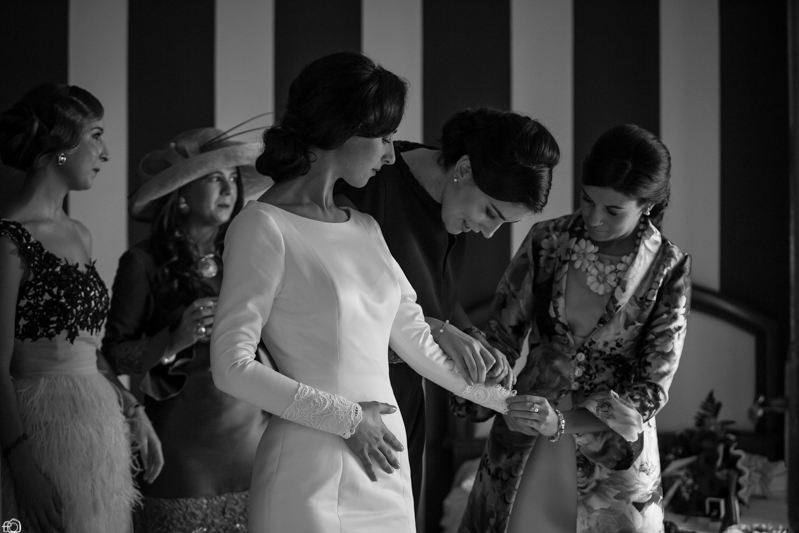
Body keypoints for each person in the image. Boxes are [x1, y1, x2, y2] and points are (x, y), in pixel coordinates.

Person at [210, 51, 513, 533]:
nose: (391, 155)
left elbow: (417, 341)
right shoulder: (262, 227)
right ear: (343, 132)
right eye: (385, 138)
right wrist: (348, 419)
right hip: (310, 474)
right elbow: (231, 366)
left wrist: (511, 404)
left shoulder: (366, 228)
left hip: (386, 471)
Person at [456, 124, 692, 533]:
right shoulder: (547, 239)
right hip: (527, 432)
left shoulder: (668, 268)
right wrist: (489, 395)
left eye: (613, 210)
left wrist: (563, 422)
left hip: (614, 455)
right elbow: (501, 337)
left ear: (648, 206)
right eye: (587, 200)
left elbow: (652, 386)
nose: (595, 218)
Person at [336, 106, 560, 505]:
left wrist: (472, 336)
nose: (488, 233)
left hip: (405, 398)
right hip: (351, 403)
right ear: (465, 168)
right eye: (490, 213)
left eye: (503, 224)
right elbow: (337, 305)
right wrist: (438, 330)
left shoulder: (453, 204)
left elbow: (436, 297)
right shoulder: (370, 183)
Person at [0, 83, 161, 532]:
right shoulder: (9, 239)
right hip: (37, 427)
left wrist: (132, 408)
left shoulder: (79, 233)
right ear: (60, 145)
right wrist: (23, 468)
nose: (105, 152)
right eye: (96, 135)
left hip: (95, 424)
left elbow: (87, 348)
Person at [102, 127, 273, 532]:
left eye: (232, 178)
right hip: (181, 443)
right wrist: (174, 339)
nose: (228, 188)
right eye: (214, 178)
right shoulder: (142, 262)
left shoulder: (249, 254)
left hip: (254, 436)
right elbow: (113, 356)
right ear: (181, 194)